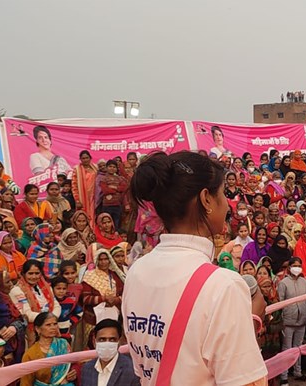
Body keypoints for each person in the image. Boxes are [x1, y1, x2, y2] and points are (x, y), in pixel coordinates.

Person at [123, 151, 267, 385]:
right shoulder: (224, 286)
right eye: (222, 194)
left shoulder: (136, 272)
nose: (228, 206)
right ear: (206, 199)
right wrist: (250, 322)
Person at [276, 256, 306, 385]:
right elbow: (280, 302)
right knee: (287, 348)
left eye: (299, 266)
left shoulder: (304, 281)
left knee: (298, 347)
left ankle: (298, 372)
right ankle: (284, 376)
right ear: (289, 267)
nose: (297, 268)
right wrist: (285, 314)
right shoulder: (283, 283)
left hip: (302, 319)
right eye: (294, 266)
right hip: (288, 321)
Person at [9, 260, 60, 347]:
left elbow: (57, 306)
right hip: (31, 332)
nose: (34, 276)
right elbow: (27, 314)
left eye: (37, 273)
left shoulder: (46, 288)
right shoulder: (17, 290)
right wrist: (48, 319)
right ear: (23, 274)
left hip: (50, 327)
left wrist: (51, 321)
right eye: (30, 273)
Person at [20, 312, 76, 386]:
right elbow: (26, 382)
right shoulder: (30, 354)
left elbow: (71, 366)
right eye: (48, 325)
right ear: (37, 329)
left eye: (55, 324)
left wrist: (73, 373)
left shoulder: (64, 344)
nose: (53, 327)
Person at [80, 318, 141, 386]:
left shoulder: (132, 370)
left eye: (112, 340)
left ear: (119, 342)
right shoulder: (87, 368)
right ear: (94, 341)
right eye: (102, 339)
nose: (107, 343)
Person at [81, 248, 124, 343]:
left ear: (110, 260)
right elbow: (85, 299)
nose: (103, 262)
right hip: (93, 318)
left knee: (112, 340)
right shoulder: (90, 276)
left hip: (114, 315)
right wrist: (104, 299)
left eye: (106, 259)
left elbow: (124, 295)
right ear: (96, 260)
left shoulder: (115, 276)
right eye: (100, 260)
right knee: (94, 343)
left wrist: (115, 300)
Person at [98, 160, 129, 228]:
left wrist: (114, 187)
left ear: (116, 169)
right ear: (106, 168)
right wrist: (117, 190)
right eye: (110, 166)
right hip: (107, 205)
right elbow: (105, 190)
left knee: (116, 224)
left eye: (114, 167)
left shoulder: (119, 178)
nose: (112, 168)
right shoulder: (103, 178)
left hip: (117, 204)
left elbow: (124, 188)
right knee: (107, 224)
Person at [72, 150, 99, 223]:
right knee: (83, 216)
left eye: (87, 158)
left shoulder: (95, 168)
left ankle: (93, 229)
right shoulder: (77, 169)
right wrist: (77, 200)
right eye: (83, 158)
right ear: (80, 159)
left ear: (90, 158)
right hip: (82, 197)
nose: (85, 160)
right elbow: (74, 186)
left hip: (94, 196)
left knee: (94, 215)